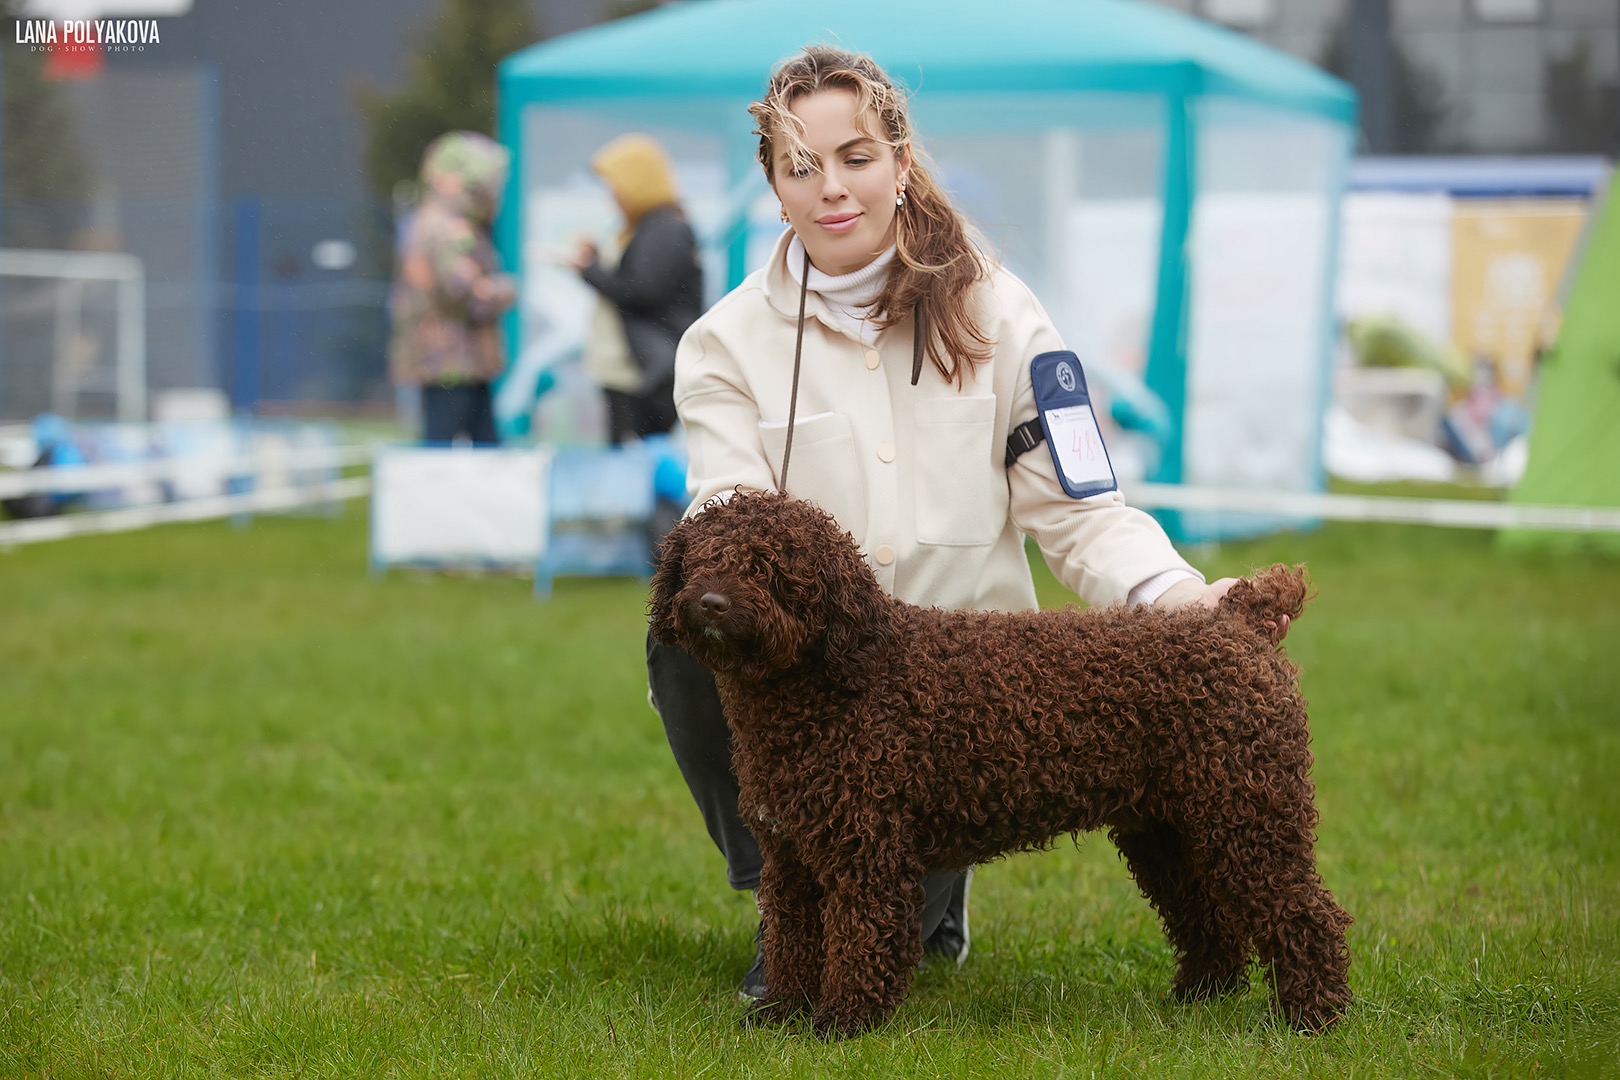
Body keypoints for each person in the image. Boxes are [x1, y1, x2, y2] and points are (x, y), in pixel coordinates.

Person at [645, 44, 1253, 1004]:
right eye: (800, 167)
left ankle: (931, 889)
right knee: (690, 626)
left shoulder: (1004, 314)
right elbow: (721, 507)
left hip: (964, 705)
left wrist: (1181, 600)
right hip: (815, 680)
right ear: (771, 181)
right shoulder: (722, 342)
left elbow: (1086, 513)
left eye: (854, 157)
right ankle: (787, 892)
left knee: (904, 884)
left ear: (897, 159)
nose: (831, 188)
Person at [573, 134, 705, 445]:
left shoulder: (667, 228)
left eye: (617, 186)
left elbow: (642, 289)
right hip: (632, 366)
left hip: (644, 370)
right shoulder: (645, 226)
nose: (614, 197)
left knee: (639, 459)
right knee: (633, 458)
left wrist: (590, 271)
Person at [389, 131, 517, 446]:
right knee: (447, 452)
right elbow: (464, 291)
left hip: (451, 361)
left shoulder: (429, 222)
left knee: (469, 446)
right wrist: (504, 292)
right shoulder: (446, 228)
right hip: (451, 361)